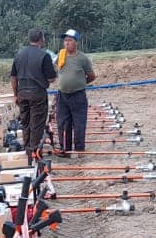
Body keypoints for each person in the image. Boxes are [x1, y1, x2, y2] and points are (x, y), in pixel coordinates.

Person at [9, 28, 57, 156]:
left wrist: (15, 94)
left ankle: (27, 150)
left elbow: (13, 77)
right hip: (37, 93)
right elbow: (51, 78)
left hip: (22, 93)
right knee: (37, 123)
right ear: (41, 39)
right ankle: (34, 152)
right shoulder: (44, 55)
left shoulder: (19, 54)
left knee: (25, 122)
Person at [55, 29, 96, 153]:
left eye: (70, 40)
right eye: (65, 40)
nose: (66, 43)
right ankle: (65, 149)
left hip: (78, 95)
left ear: (76, 42)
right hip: (62, 95)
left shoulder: (82, 58)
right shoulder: (60, 56)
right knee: (63, 123)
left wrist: (80, 83)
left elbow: (91, 76)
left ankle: (79, 150)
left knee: (79, 123)